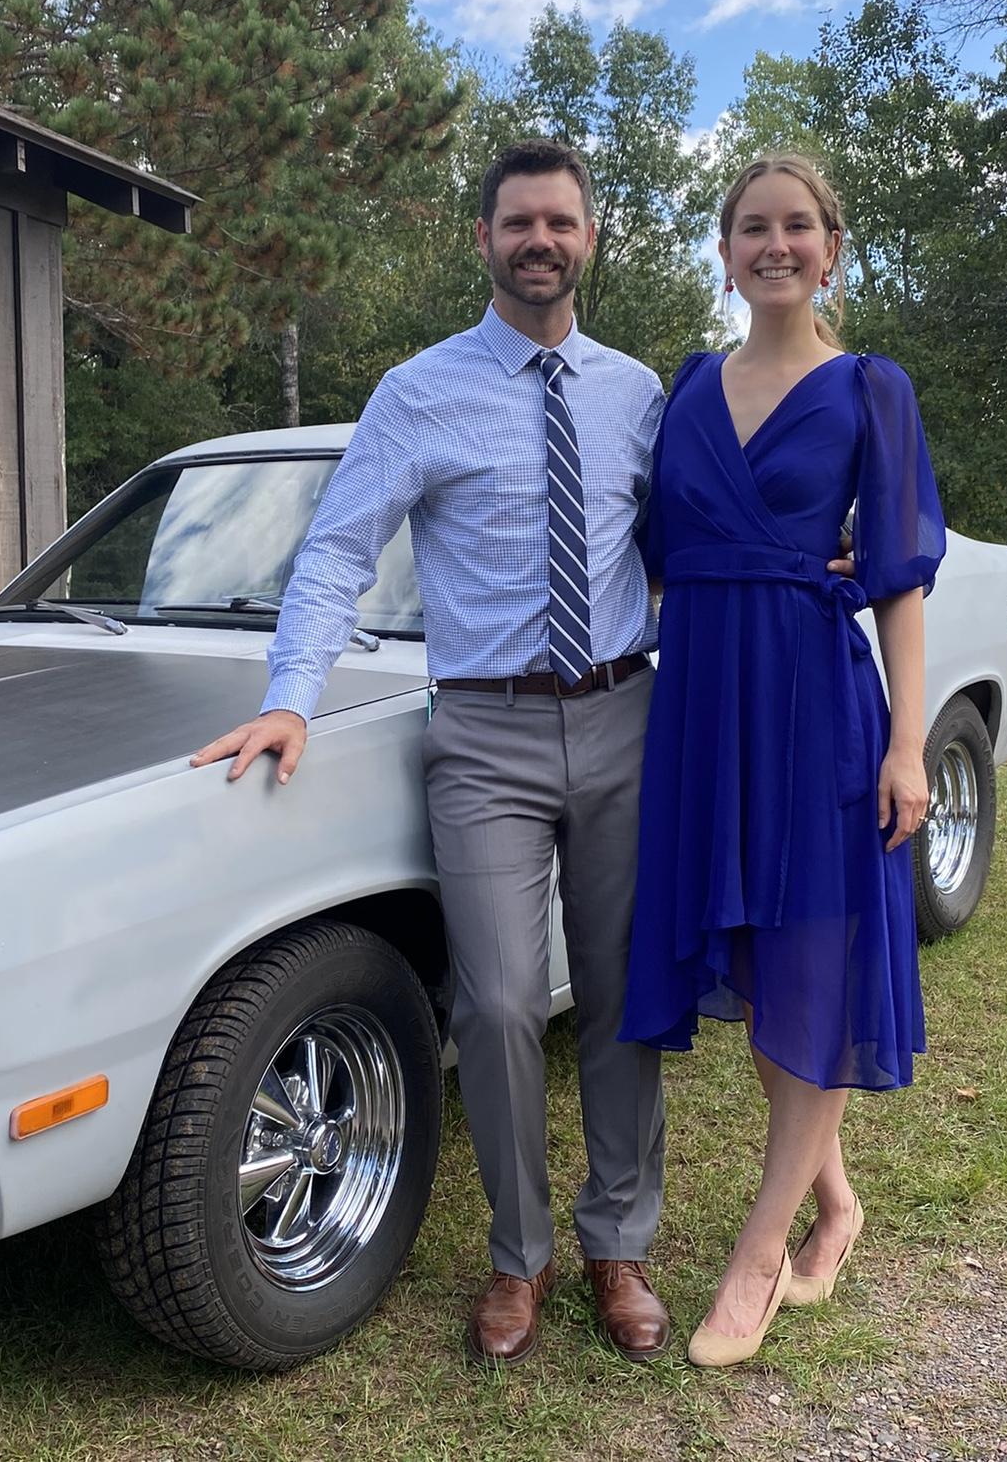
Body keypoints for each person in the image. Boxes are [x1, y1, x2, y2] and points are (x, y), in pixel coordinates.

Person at [191, 139, 675, 1365]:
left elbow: (682, 551)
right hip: (485, 735)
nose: (540, 241)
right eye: (518, 222)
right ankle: (521, 1255)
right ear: (484, 239)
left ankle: (620, 1244)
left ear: (591, 237)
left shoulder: (638, 394)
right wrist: (292, 697)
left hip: (625, 717)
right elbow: (338, 551)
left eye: (560, 221)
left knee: (623, 994)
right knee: (502, 1001)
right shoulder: (418, 391)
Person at [619, 153, 947, 1367]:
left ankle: (759, 1254)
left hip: (817, 706)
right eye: (753, 227)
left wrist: (908, 743)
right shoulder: (688, 389)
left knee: (813, 966)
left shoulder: (870, 389)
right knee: (763, 980)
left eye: (797, 226)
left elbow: (900, 581)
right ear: (724, 252)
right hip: (706, 706)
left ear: (831, 248)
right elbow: (653, 552)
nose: (775, 244)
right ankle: (837, 1203)